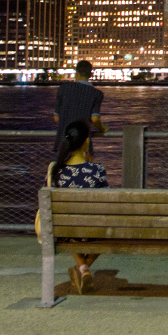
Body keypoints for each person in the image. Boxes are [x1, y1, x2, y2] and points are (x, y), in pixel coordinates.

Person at [46, 120, 109, 294]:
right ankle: (84, 267)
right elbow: (108, 202)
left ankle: (82, 267)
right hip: (93, 234)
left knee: (69, 225)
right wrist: (91, 164)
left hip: (65, 232)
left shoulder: (55, 170)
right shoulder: (97, 170)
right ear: (86, 142)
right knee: (105, 232)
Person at [53, 60, 108, 149]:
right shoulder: (97, 94)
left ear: (76, 73)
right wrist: (102, 129)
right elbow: (95, 119)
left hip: (63, 143)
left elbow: (57, 118)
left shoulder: (63, 89)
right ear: (90, 75)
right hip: (82, 144)